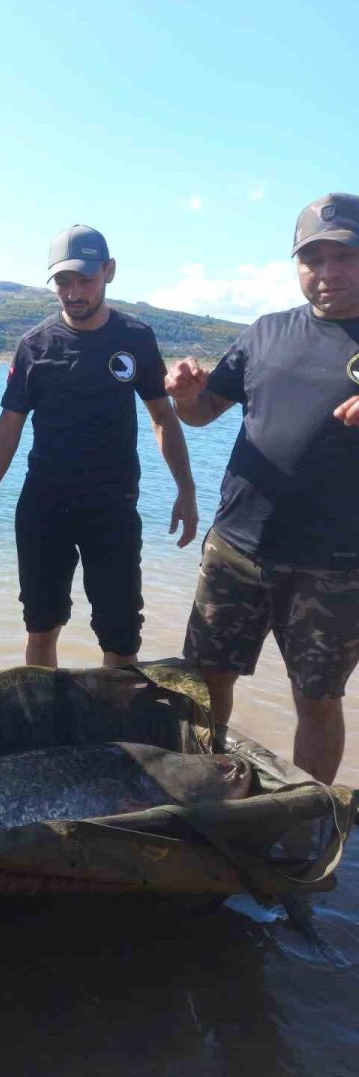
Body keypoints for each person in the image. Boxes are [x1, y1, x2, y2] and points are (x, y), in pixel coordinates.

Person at [166, 193, 359, 784]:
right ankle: (206, 793)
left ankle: (309, 818)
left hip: (333, 566)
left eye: (344, 257)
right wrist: (184, 394)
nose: (327, 272)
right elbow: (203, 413)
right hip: (236, 550)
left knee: (317, 700)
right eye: (313, 259)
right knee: (204, 680)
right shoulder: (266, 332)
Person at [0, 225, 198, 668]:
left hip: (113, 509)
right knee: (41, 626)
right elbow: (8, 427)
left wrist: (186, 489)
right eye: (63, 282)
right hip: (44, 508)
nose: (73, 292)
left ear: (108, 272)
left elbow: (162, 417)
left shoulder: (136, 338)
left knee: (121, 637)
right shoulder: (35, 345)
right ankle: (43, 725)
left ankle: (117, 729)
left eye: (85, 280)